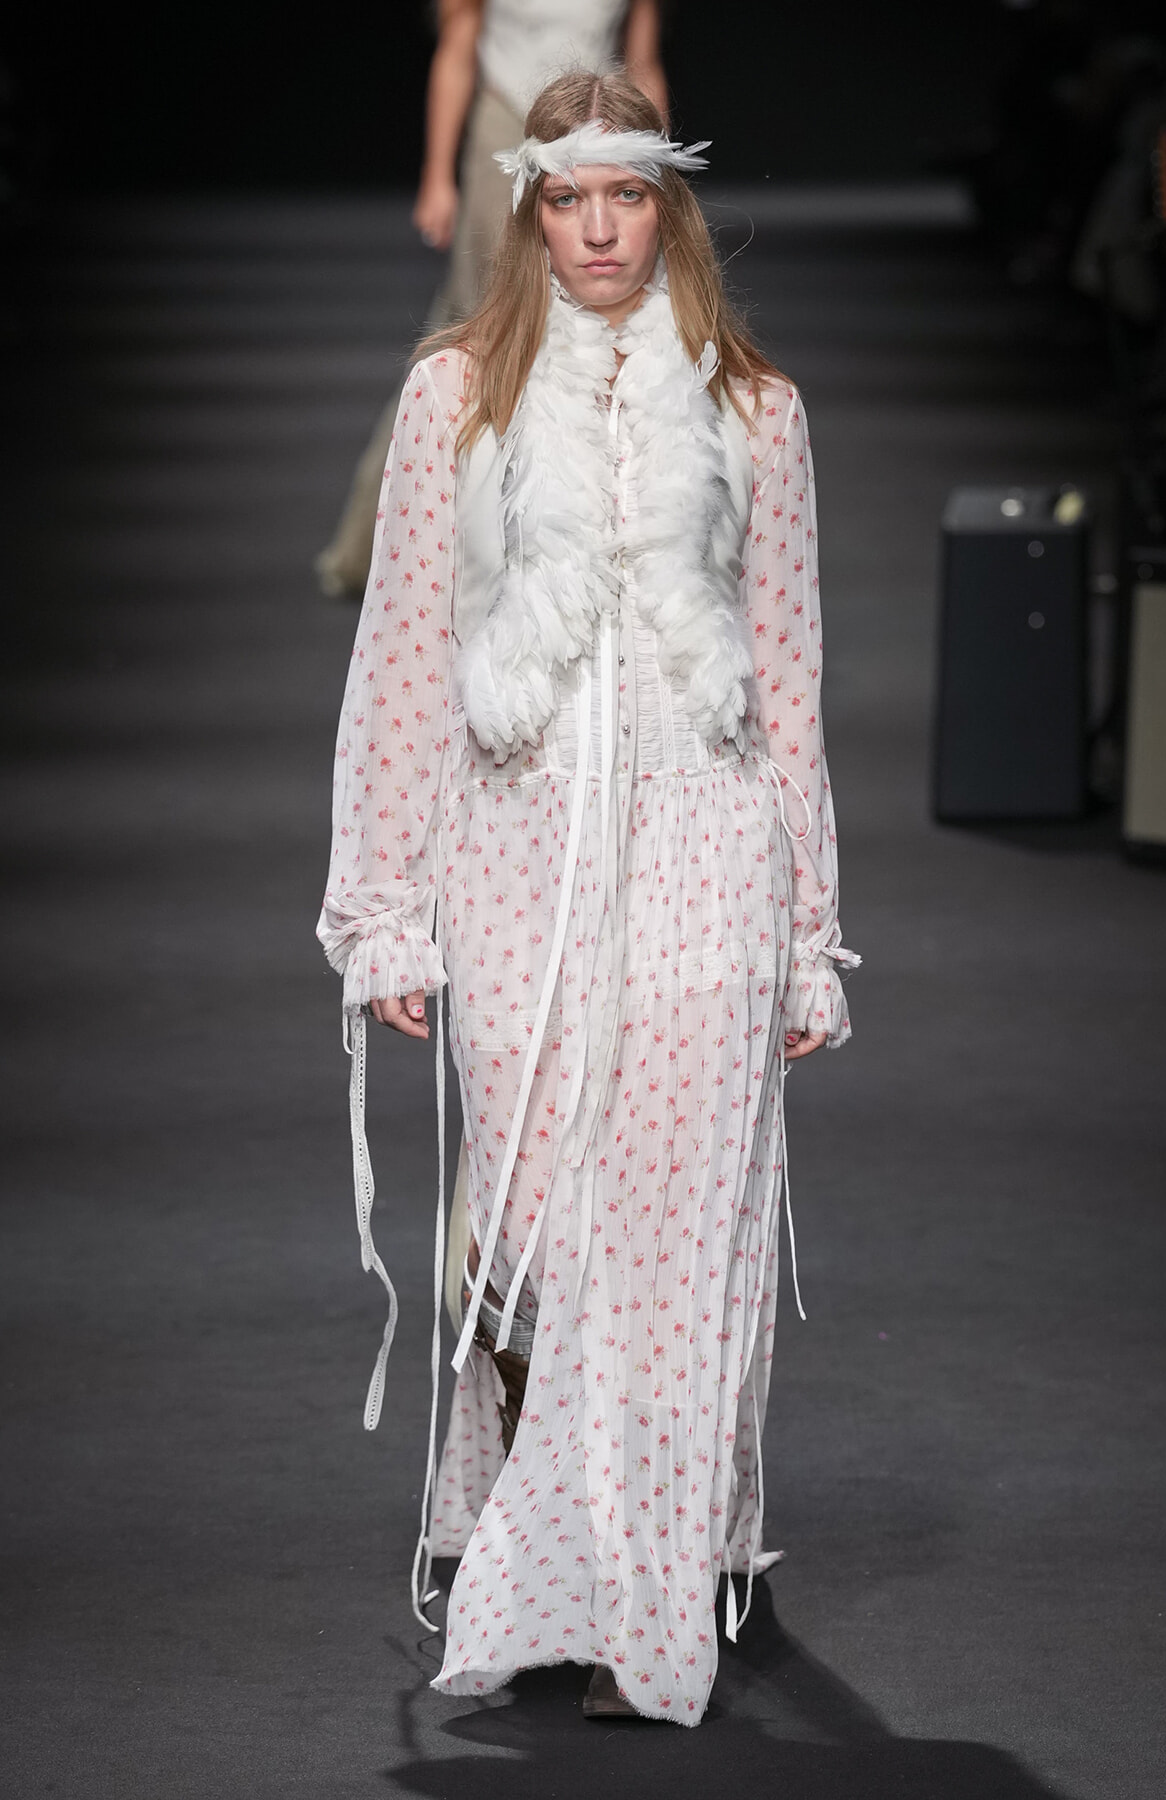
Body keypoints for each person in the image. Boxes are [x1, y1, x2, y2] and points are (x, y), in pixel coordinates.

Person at [317, 69, 859, 1726]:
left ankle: (643, 1606)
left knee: (680, 1245)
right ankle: (583, 1550)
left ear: (667, 208)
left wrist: (809, 939)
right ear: (531, 210)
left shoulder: (755, 410)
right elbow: (402, 658)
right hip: (515, 852)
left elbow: (790, 678)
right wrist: (382, 905)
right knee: (544, 1233)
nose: (604, 227)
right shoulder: (452, 402)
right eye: (573, 199)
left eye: (631, 196)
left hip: (711, 847)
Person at [314, 0, 667, 600]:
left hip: (597, 133)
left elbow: (643, 61)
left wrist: (655, 163)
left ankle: (580, 536)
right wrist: (436, 177)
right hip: (506, 130)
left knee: (590, 325)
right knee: (482, 335)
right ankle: (401, 545)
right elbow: (457, 51)